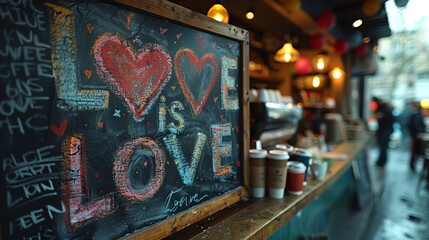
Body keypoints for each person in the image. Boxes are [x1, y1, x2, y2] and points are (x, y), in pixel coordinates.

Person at [372, 97, 395, 168]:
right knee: (383, 147)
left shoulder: (384, 110)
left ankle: (381, 163)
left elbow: (382, 120)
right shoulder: (387, 110)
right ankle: (381, 162)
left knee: (383, 147)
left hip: (384, 131)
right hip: (385, 131)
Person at [408, 104, 427, 171]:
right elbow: (417, 127)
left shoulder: (417, 115)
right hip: (417, 137)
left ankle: (413, 165)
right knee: (416, 152)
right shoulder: (417, 116)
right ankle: (413, 166)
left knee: (416, 153)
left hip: (417, 136)